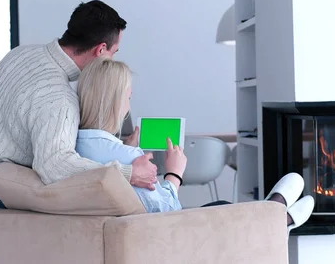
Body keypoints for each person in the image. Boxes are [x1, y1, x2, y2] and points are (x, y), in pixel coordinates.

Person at [75, 57, 315, 234]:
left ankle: (276, 214)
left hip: (127, 230)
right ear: (117, 101)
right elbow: (167, 213)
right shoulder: (129, 158)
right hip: (165, 235)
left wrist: (124, 146)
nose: (128, 105)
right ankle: (278, 216)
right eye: (128, 98)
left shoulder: (74, 150)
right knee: (221, 206)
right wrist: (174, 173)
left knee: (220, 207)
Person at [0, 0, 158, 210]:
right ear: (100, 49)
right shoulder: (59, 97)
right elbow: (55, 166)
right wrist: (130, 172)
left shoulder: (21, 53)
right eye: (114, 52)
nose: (112, 59)